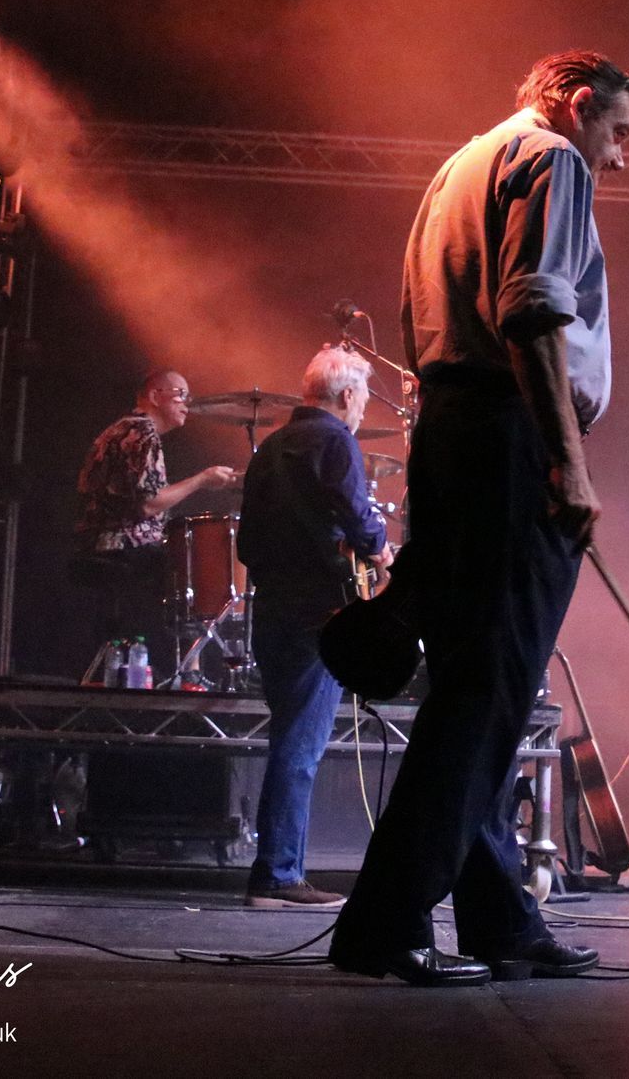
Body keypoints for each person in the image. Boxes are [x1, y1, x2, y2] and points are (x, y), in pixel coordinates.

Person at [327, 50, 629, 987]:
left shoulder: (463, 164)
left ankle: (501, 917)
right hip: (508, 434)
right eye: (618, 130)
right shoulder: (554, 159)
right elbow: (533, 312)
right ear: (577, 105)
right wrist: (566, 461)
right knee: (489, 692)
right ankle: (385, 923)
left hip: (454, 430)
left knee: (481, 686)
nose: (620, 156)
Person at [236, 346, 390, 907]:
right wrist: (380, 551)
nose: (363, 408)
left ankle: (280, 869)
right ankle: (277, 875)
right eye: (363, 397)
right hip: (319, 611)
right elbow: (357, 514)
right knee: (300, 745)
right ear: (346, 395)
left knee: (288, 736)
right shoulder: (336, 441)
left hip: (271, 607)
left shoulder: (270, 447)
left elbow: (247, 543)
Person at [72, 370, 238, 662]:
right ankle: (186, 670)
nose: (187, 404)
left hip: (98, 542)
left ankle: (172, 666)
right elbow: (149, 505)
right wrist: (202, 479)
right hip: (121, 546)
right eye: (180, 395)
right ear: (154, 396)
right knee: (190, 579)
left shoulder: (125, 429)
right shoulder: (142, 433)